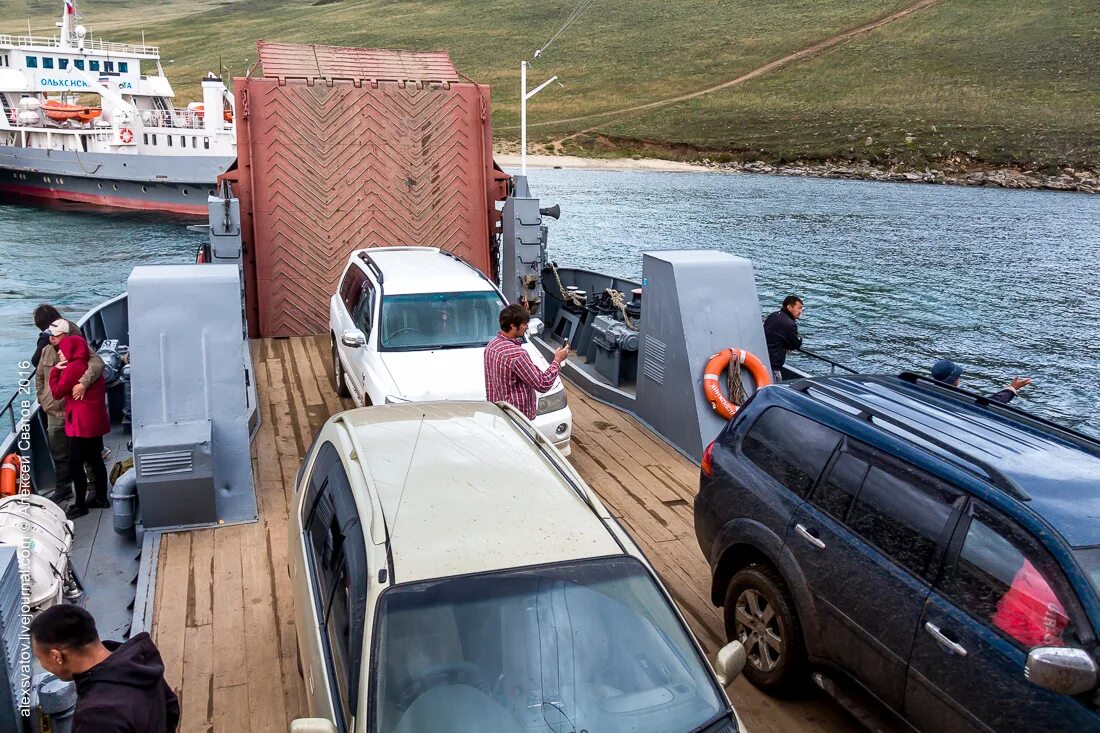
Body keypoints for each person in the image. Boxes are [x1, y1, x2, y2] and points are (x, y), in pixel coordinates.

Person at [30, 604, 180, 733]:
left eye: (40, 658)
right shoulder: (141, 661)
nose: (43, 665)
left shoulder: (96, 716)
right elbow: (171, 708)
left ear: (56, 656)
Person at [31, 304, 104, 505]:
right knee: (59, 454)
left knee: (86, 454)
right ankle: (63, 489)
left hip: (74, 410)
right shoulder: (45, 349)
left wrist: (83, 383)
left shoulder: (78, 346)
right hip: (53, 409)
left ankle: (94, 489)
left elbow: (97, 363)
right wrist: (42, 398)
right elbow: (39, 374)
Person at [47, 320, 110, 520]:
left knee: (76, 464)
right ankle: (101, 497)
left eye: (61, 349)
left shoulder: (73, 368)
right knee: (95, 459)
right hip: (94, 420)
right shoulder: (87, 365)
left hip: (80, 423)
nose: (59, 352)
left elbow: (57, 392)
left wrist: (56, 370)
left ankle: (80, 505)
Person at [484, 304, 569, 420]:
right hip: (518, 418)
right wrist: (557, 360)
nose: (526, 327)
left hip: (499, 414)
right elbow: (542, 383)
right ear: (513, 326)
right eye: (524, 324)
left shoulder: (491, 346)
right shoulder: (517, 354)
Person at [930, 359, 1031, 404]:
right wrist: (1012, 388)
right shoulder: (958, 398)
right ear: (955, 380)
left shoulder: (926, 387)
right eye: (958, 376)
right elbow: (991, 402)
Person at [763, 295, 803, 382]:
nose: (801, 311)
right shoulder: (789, 324)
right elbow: (796, 343)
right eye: (799, 308)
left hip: (764, 357)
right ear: (789, 307)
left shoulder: (773, 316)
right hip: (774, 364)